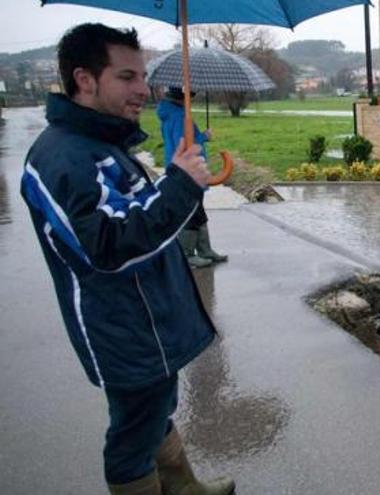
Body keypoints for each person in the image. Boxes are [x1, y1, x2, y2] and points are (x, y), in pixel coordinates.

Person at [19, 23, 235, 495]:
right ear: (84, 79)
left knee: (156, 408)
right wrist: (179, 184)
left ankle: (182, 487)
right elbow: (110, 246)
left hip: (150, 320)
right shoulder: (62, 159)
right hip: (122, 328)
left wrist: (174, 179)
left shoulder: (103, 144)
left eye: (142, 76)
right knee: (132, 434)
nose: (143, 89)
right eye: (127, 77)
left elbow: (134, 208)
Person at [157, 87, 227, 268]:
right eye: (191, 97)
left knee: (198, 211)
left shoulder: (171, 114)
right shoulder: (180, 117)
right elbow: (185, 143)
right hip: (187, 171)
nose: (193, 101)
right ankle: (187, 254)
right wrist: (203, 136)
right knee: (192, 212)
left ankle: (205, 250)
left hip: (181, 169)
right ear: (183, 99)